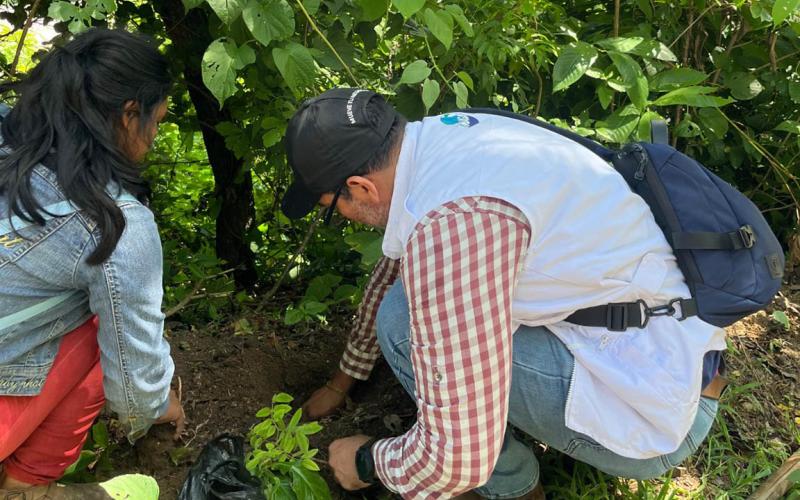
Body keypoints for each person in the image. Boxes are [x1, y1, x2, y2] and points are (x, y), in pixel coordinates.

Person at [284, 88, 728, 499]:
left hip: (656, 412)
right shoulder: (447, 141)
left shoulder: (454, 227)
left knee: (402, 325)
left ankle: (517, 488)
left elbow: (457, 458)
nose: (343, 217)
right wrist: (340, 382)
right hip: (673, 343)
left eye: (332, 208)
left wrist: (366, 460)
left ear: (361, 187)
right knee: (404, 307)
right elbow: (393, 269)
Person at [0, 28, 184, 499]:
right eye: (157, 121)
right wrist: (162, 404)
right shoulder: (116, 225)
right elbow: (135, 385)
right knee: (109, 322)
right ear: (128, 115)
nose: (155, 136)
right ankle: (27, 488)